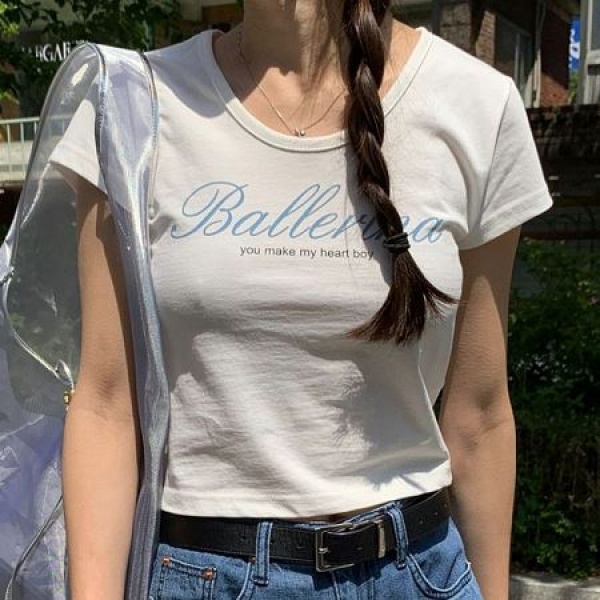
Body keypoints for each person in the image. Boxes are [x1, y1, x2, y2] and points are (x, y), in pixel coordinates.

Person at [48, 1, 552, 599]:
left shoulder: (477, 105)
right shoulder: (130, 105)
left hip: (418, 573)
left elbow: (480, 414)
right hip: (208, 574)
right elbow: (106, 404)